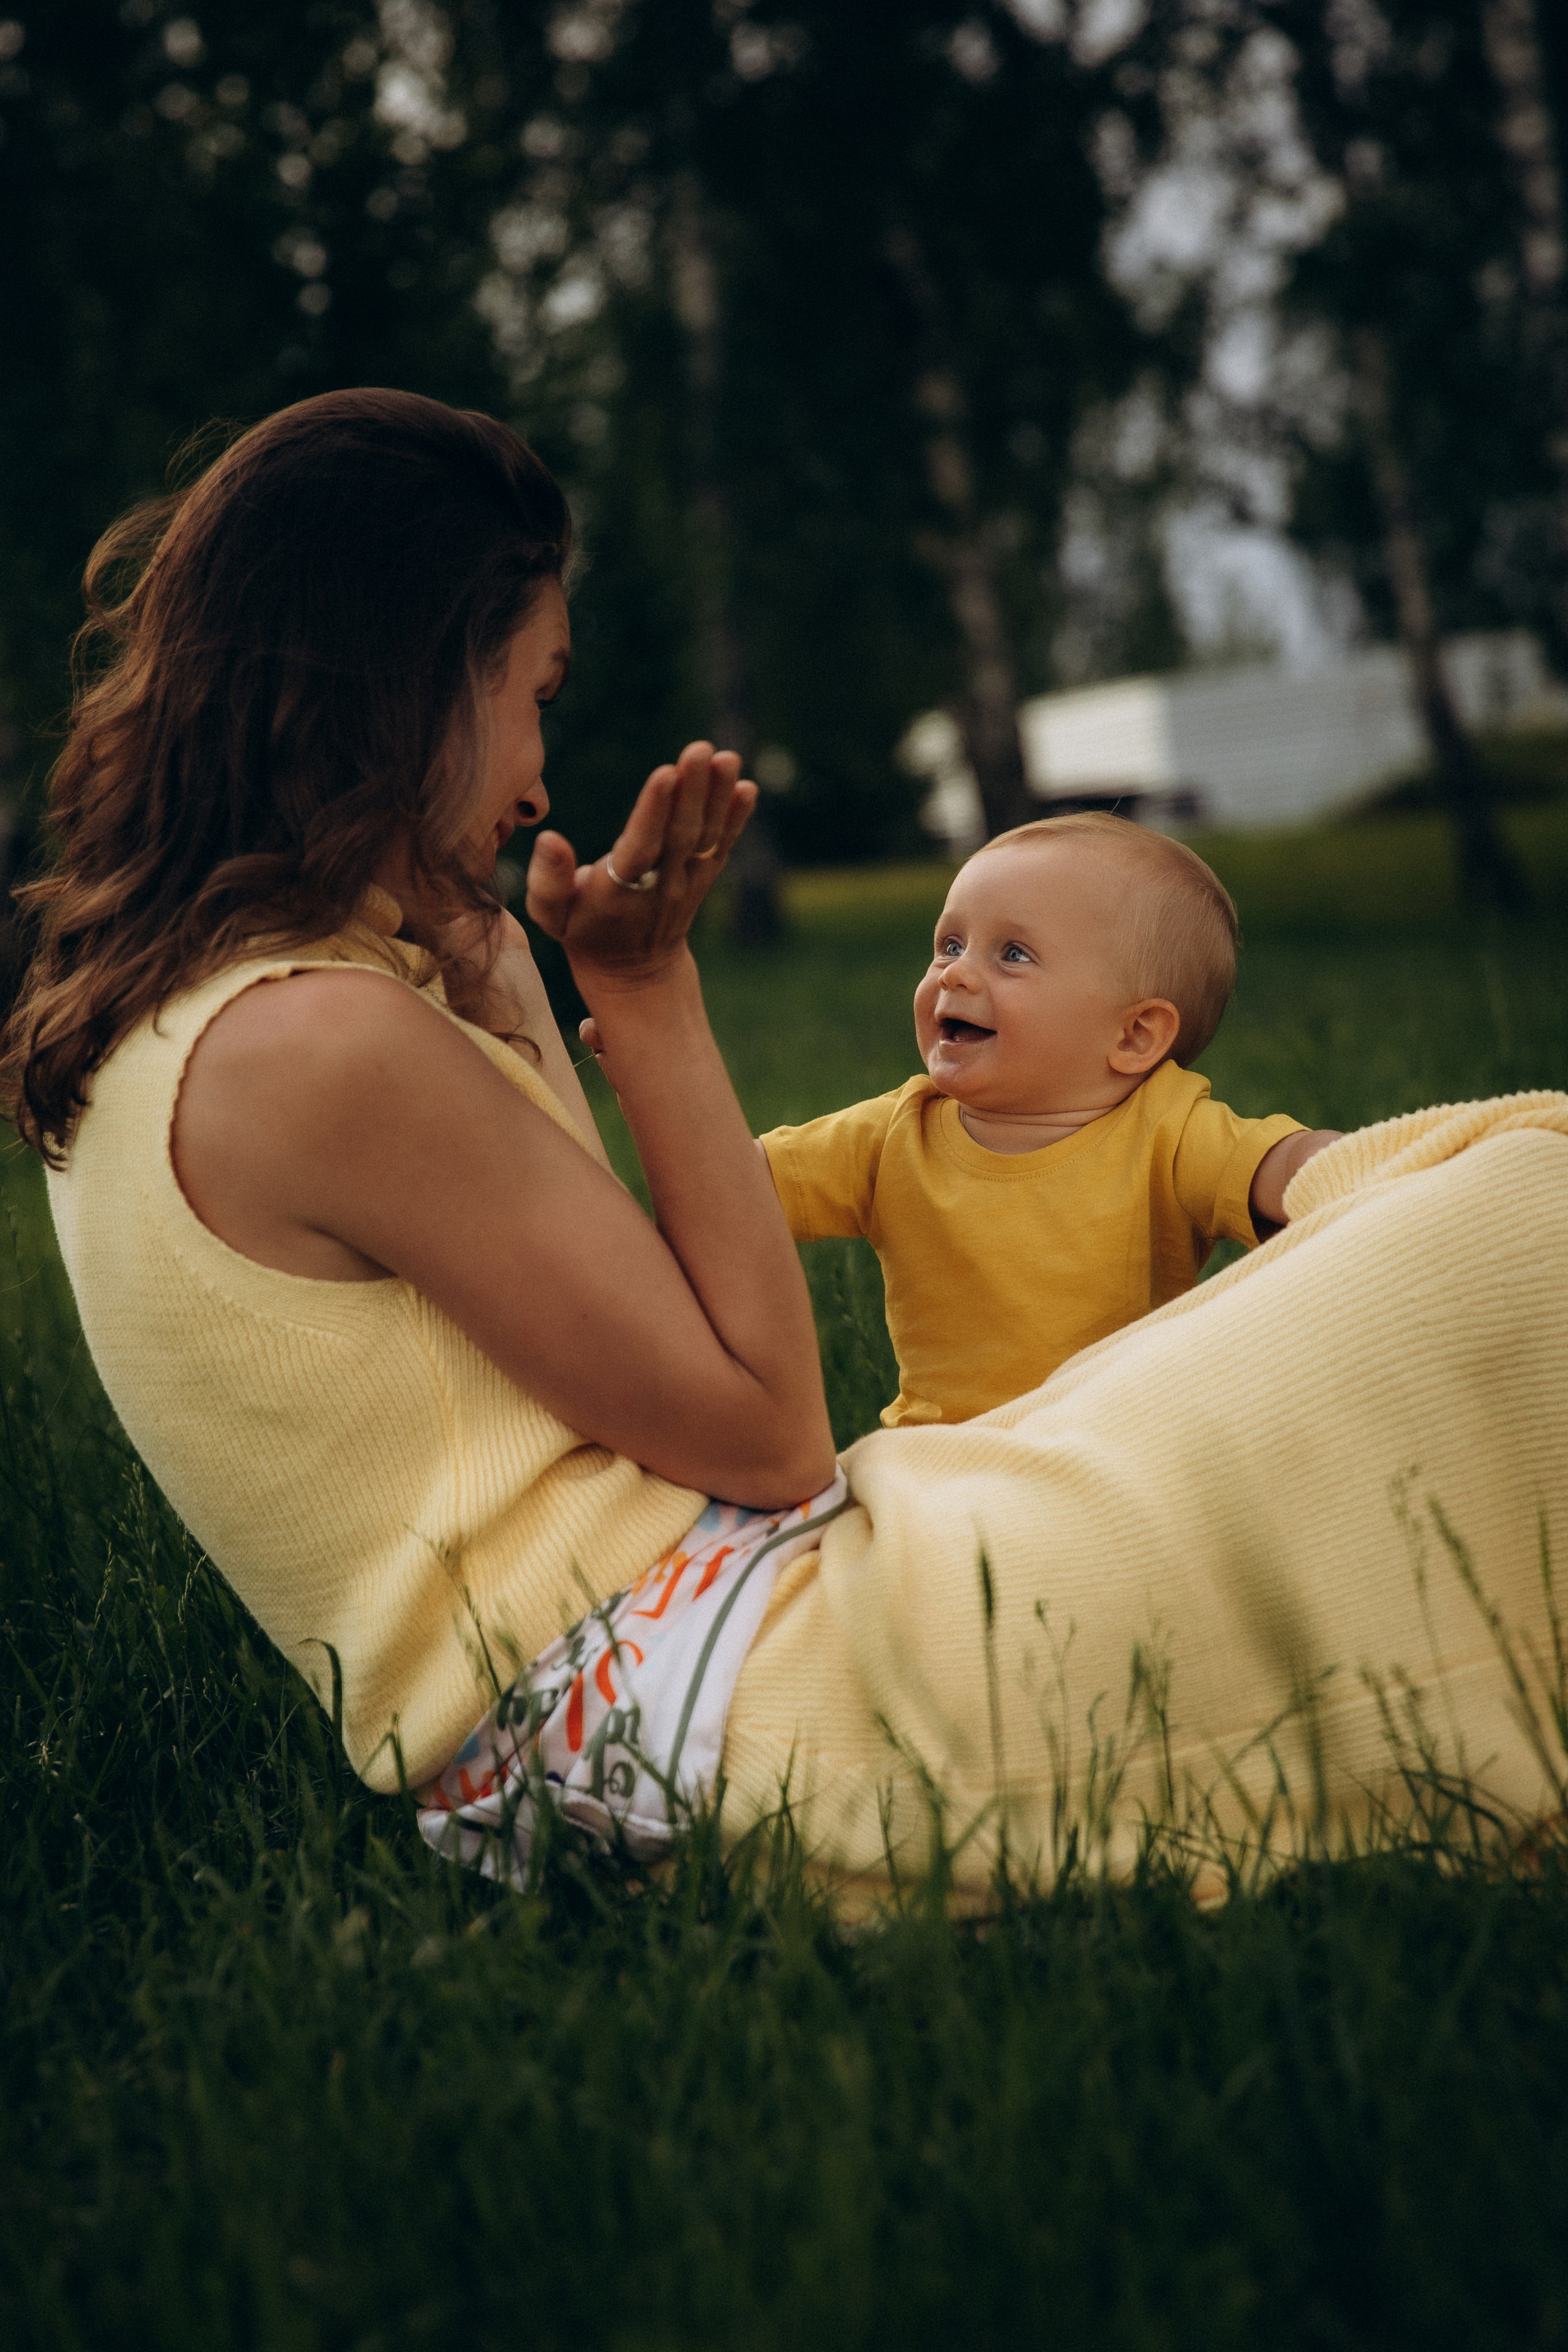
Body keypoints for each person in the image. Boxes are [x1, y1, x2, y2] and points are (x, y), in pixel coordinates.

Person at [10, 388, 1568, 1899]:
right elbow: (764, 1437)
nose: (539, 777)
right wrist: (643, 992)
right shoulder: (316, 1041)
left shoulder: (196, 1017)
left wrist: (500, 970)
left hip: (613, 1706)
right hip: (734, 1692)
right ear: (413, 673)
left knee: (1461, 1218)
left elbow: (615, 1322)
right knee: (1517, 1210)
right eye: (533, 696)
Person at [752, 816, 1341, 1426]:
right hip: (944, 1454)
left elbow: (1295, 1166)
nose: (953, 972)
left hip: (1113, 1447)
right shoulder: (895, 1136)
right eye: (949, 945)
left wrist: (1393, 1159)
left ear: (1134, 1035)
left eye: (1012, 955)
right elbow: (734, 1186)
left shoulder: (1169, 1134)